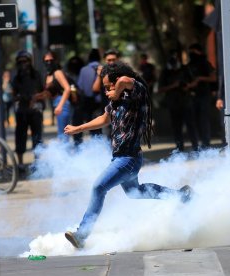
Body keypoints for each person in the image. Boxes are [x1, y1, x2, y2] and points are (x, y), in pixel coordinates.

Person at [63, 61, 193, 249]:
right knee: (135, 192)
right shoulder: (115, 99)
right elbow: (104, 118)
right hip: (121, 158)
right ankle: (181, 196)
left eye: (109, 86)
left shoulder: (135, 91)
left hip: (128, 158)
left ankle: (82, 234)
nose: (107, 90)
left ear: (117, 82)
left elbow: (125, 80)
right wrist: (79, 128)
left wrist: (116, 90)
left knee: (99, 187)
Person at [158, 49, 199, 152]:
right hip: (173, 103)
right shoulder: (165, 72)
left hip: (186, 101)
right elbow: (160, 89)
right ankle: (179, 148)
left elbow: (195, 82)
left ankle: (195, 146)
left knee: (191, 126)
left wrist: (188, 86)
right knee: (177, 127)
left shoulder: (185, 69)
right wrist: (173, 86)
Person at [12, 50, 45, 170]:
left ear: (29, 62)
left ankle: (37, 162)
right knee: (20, 137)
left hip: (35, 111)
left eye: (25, 61)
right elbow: (14, 94)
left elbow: (43, 91)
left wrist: (38, 102)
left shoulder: (36, 75)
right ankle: (20, 164)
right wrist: (21, 98)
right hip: (22, 112)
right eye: (20, 62)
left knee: (37, 137)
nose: (23, 64)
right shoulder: (17, 78)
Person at [185, 43, 217, 149]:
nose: (192, 54)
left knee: (204, 120)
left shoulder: (205, 63)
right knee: (193, 121)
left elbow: (213, 78)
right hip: (192, 96)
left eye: (194, 51)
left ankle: (205, 143)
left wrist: (199, 79)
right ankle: (196, 144)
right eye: (190, 51)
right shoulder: (189, 65)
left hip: (204, 95)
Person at [43, 50, 72, 142]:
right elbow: (47, 93)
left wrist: (60, 105)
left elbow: (67, 88)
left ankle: (65, 155)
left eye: (51, 60)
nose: (48, 63)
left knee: (63, 135)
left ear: (55, 60)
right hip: (56, 103)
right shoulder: (49, 75)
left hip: (62, 104)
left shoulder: (57, 72)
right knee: (61, 134)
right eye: (46, 61)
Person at [77, 48, 103, 137]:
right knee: (101, 127)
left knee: (91, 127)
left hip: (87, 103)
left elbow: (80, 87)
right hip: (100, 103)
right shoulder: (103, 68)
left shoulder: (83, 70)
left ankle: (93, 146)